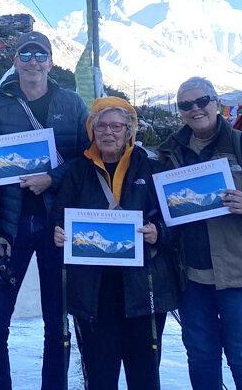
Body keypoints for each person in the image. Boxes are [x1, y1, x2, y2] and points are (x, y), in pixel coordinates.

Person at [156, 77, 242, 390]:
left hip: (240, 273)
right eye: (186, 105)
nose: (195, 109)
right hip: (191, 277)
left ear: (216, 103)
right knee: (201, 355)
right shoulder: (169, 153)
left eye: (202, 101)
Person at [0, 31, 90, 390]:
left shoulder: (71, 104)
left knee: (57, 324)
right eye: (26, 54)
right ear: (16, 61)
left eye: (40, 54)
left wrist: (52, 178)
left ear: (51, 62)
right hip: (11, 228)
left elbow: (89, 161)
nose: (33, 61)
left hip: (58, 227)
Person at [52, 97, 179, 389]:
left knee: (145, 375)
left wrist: (158, 232)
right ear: (92, 130)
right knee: (99, 374)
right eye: (101, 126)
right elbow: (59, 217)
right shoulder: (78, 172)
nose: (108, 132)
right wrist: (58, 233)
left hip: (143, 288)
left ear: (129, 130)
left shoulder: (151, 169)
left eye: (116, 126)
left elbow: (175, 223)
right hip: (94, 291)